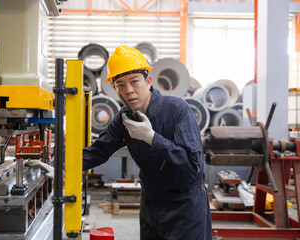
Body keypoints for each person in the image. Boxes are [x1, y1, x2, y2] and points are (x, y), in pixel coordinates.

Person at [27, 46, 213, 240]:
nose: (129, 91)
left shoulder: (177, 110)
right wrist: (59, 167)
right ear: (114, 89)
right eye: (121, 85)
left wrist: (152, 138)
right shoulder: (124, 119)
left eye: (134, 82)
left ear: (148, 81)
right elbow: (98, 151)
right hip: (151, 205)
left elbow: (193, 166)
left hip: (185, 207)